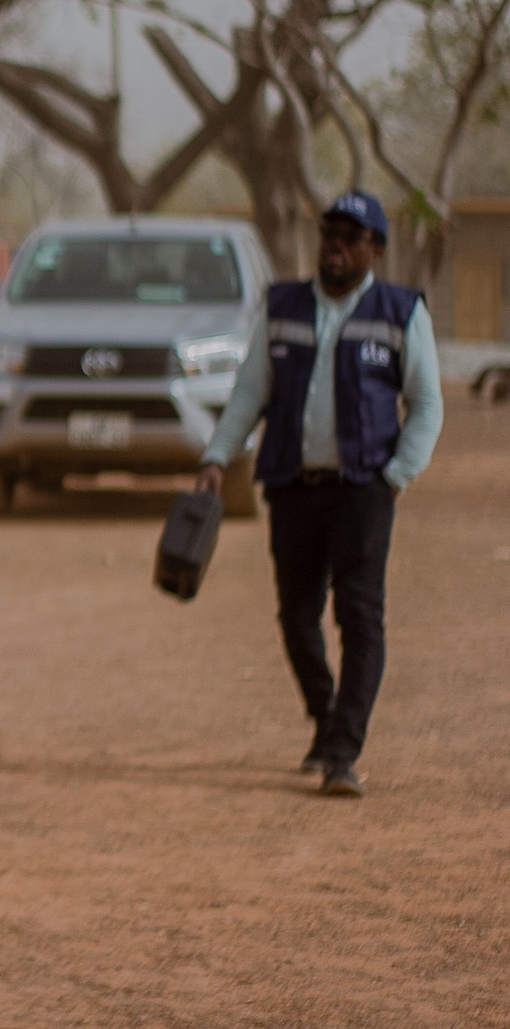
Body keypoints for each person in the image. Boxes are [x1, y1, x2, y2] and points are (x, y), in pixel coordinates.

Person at [196, 190, 443, 799]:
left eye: (350, 236)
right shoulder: (282, 306)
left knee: (359, 617)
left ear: (374, 249)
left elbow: (427, 404)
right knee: (296, 614)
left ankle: (342, 752)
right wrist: (215, 456)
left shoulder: (401, 311)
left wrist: (396, 475)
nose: (335, 244)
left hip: (365, 489)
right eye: (329, 233)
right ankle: (325, 714)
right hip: (292, 486)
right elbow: (251, 392)